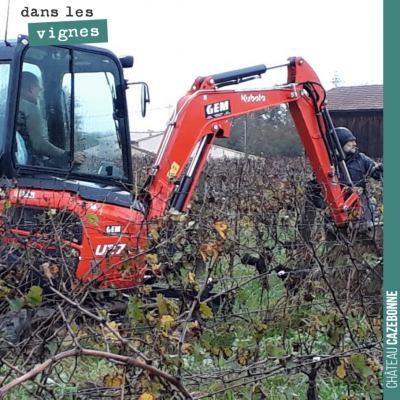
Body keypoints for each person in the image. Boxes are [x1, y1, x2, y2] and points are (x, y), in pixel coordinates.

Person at [306, 127, 383, 228]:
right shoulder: (326, 164)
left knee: (367, 237)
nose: (354, 144)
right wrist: (327, 207)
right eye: (350, 141)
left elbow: (378, 174)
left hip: (363, 207)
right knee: (336, 240)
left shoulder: (361, 159)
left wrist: (381, 170)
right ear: (339, 143)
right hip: (335, 214)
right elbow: (312, 191)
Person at [16, 71, 85, 166]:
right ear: (32, 88)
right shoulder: (30, 108)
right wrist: (67, 155)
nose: (39, 93)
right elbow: (39, 144)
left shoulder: (5, 107)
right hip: (27, 168)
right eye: (39, 89)